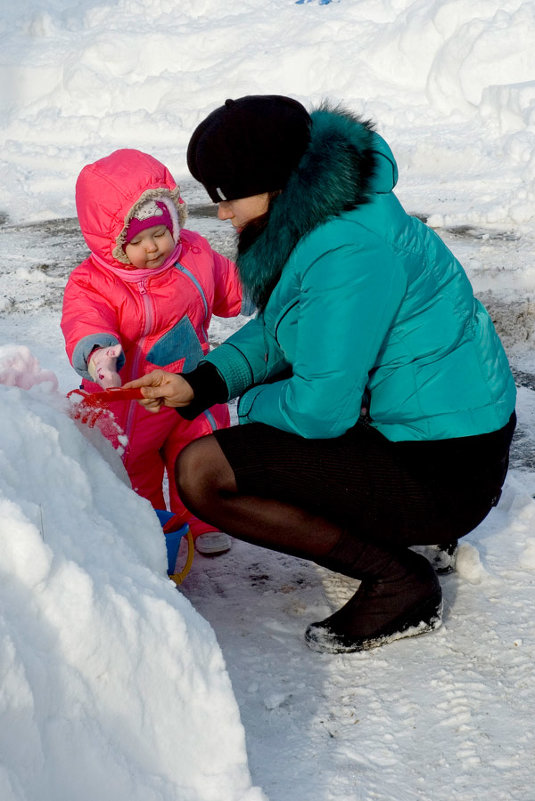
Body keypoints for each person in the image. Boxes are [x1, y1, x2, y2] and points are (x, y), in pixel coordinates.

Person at [124, 96, 516, 653]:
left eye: (227, 196)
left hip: (445, 469)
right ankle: (403, 540)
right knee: (245, 442)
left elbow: (319, 409)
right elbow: (288, 327)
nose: (223, 214)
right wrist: (204, 382)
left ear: (270, 181)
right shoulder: (330, 212)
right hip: (434, 437)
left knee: (204, 470)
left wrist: (236, 409)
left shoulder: (346, 249)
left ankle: (398, 581)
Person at [61, 148, 250, 555]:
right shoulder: (92, 281)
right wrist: (97, 354)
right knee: (136, 471)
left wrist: (263, 289)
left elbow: (231, 290)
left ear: (175, 219)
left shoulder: (196, 255)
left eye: (160, 233)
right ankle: (149, 532)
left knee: (196, 452)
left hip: (189, 384)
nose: (153, 248)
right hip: (129, 402)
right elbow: (84, 319)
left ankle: (203, 520)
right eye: (137, 240)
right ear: (111, 241)